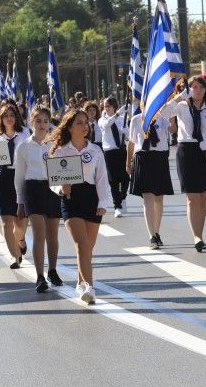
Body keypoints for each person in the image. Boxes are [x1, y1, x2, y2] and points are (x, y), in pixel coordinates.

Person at [49, 109, 112, 304]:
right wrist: (61, 188)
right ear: (69, 127)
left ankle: (80, 282)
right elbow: (53, 181)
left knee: (87, 249)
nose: (85, 126)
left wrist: (103, 203)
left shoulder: (95, 150)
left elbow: (102, 179)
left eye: (86, 122)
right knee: (81, 244)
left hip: (91, 198)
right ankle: (90, 288)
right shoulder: (59, 151)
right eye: (79, 123)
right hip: (70, 199)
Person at [171, 76, 206, 251]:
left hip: (205, 152)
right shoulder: (181, 107)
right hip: (186, 151)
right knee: (192, 197)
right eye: (193, 87)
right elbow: (164, 113)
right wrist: (180, 97)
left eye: (200, 87)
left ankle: (200, 235)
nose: (197, 90)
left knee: (202, 198)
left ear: (205, 90)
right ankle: (196, 237)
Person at [14, 107, 64, 292]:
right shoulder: (24, 146)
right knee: (38, 234)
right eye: (38, 121)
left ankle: (52, 270)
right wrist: (20, 201)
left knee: (53, 235)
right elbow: (19, 176)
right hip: (32, 189)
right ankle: (40, 276)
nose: (42, 125)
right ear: (31, 122)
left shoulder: (55, 144)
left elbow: (63, 167)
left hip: (52, 188)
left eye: (45, 121)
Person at [0, 102, 29, 269]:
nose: (9, 119)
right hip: (3, 179)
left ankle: (21, 239)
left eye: (11, 115)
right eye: (5, 116)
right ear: (1, 119)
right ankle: (15, 256)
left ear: (15, 117)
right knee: (6, 220)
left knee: (21, 219)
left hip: (21, 177)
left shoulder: (25, 133)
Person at [127, 102, 177, 250]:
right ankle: (152, 236)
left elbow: (172, 129)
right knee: (148, 196)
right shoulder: (136, 119)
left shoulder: (162, 117)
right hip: (143, 158)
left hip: (159, 158)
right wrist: (128, 163)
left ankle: (157, 231)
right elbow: (131, 143)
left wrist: (173, 121)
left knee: (159, 198)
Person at [97, 97, 129, 218]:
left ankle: (123, 197)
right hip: (110, 152)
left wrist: (126, 132)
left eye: (109, 106)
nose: (106, 108)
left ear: (114, 106)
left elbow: (129, 137)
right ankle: (117, 206)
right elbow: (107, 125)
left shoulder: (122, 119)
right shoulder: (102, 120)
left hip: (121, 150)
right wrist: (117, 114)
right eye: (105, 106)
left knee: (125, 177)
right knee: (113, 180)